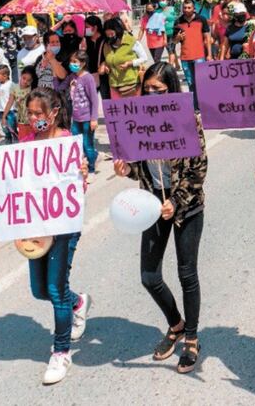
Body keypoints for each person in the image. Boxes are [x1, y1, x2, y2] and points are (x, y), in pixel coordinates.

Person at [113, 62, 208, 373]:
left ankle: (191, 337)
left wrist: (176, 203)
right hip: (151, 204)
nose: (152, 94)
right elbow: (142, 168)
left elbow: (198, 171)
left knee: (186, 274)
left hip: (186, 207)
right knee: (149, 277)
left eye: (159, 89)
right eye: (148, 88)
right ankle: (176, 324)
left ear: (172, 90)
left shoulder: (188, 121)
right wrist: (127, 169)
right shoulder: (138, 120)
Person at [22, 87, 91, 385]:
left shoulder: (66, 143)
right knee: (40, 290)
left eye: (39, 113)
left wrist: (82, 173)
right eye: (31, 113)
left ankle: (61, 351)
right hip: (35, 228)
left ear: (53, 112)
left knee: (55, 288)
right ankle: (77, 303)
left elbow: (77, 189)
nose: (35, 118)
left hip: (62, 228)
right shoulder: (25, 142)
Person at [174, 0, 212, 108]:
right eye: (185, 8)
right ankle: (195, 107)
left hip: (199, 56)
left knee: (201, 83)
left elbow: (207, 38)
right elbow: (174, 41)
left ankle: (205, 105)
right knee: (191, 83)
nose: (186, 10)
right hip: (185, 57)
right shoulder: (178, 21)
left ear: (193, 8)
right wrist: (178, 37)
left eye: (189, 8)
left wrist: (209, 54)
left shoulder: (201, 19)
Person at [101, 17, 149, 99]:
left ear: (118, 31)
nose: (110, 37)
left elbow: (144, 58)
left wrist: (130, 63)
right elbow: (108, 60)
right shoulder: (106, 45)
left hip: (131, 84)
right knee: (118, 109)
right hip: (114, 84)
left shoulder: (131, 41)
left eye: (112, 34)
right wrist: (107, 67)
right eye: (107, 35)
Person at [69, 51, 99, 172]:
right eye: (71, 61)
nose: (72, 64)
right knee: (77, 144)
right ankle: (91, 159)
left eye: (75, 62)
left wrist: (94, 119)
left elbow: (94, 99)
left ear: (83, 63)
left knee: (87, 145)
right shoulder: (73, 76)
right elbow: (59, 87)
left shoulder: (88, 78)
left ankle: (91, 168)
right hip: (76, 118)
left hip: (87, 118)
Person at [2, 66, 36, 142]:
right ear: (20, 75)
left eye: (28, 80)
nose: (25, 81)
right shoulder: (14, 88)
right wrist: (4, 116)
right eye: (24, 78)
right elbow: (10, 102)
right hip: (21, 121)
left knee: (33, 141)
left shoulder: (32, 89)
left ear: (32, 81)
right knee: (23, 141)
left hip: (32, 121)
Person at [83, 15, 107, 98]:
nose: (85, 29)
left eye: (87, 27)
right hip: (90, 75)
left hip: (104, 75)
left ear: (95, 27)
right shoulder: (85, 40)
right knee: (90, 101)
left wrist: (104, 64)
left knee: (106, 99)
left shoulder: (105, 39)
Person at [0, 64, 16, 144]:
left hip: (10, 111)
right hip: (1, 110)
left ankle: (15, 140)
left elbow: (12, 98)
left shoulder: (11, 85)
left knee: (11, 127)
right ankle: (8, 139)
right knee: (4, 127)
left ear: (5, 76)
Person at [0, 15, 21, 82]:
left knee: (15, 80)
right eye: (3, 20)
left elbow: (22, 46)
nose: (5, 22)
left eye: (7, 20)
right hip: (4, 61)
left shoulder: (17, 31)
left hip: (15, 60)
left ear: (12, 21)